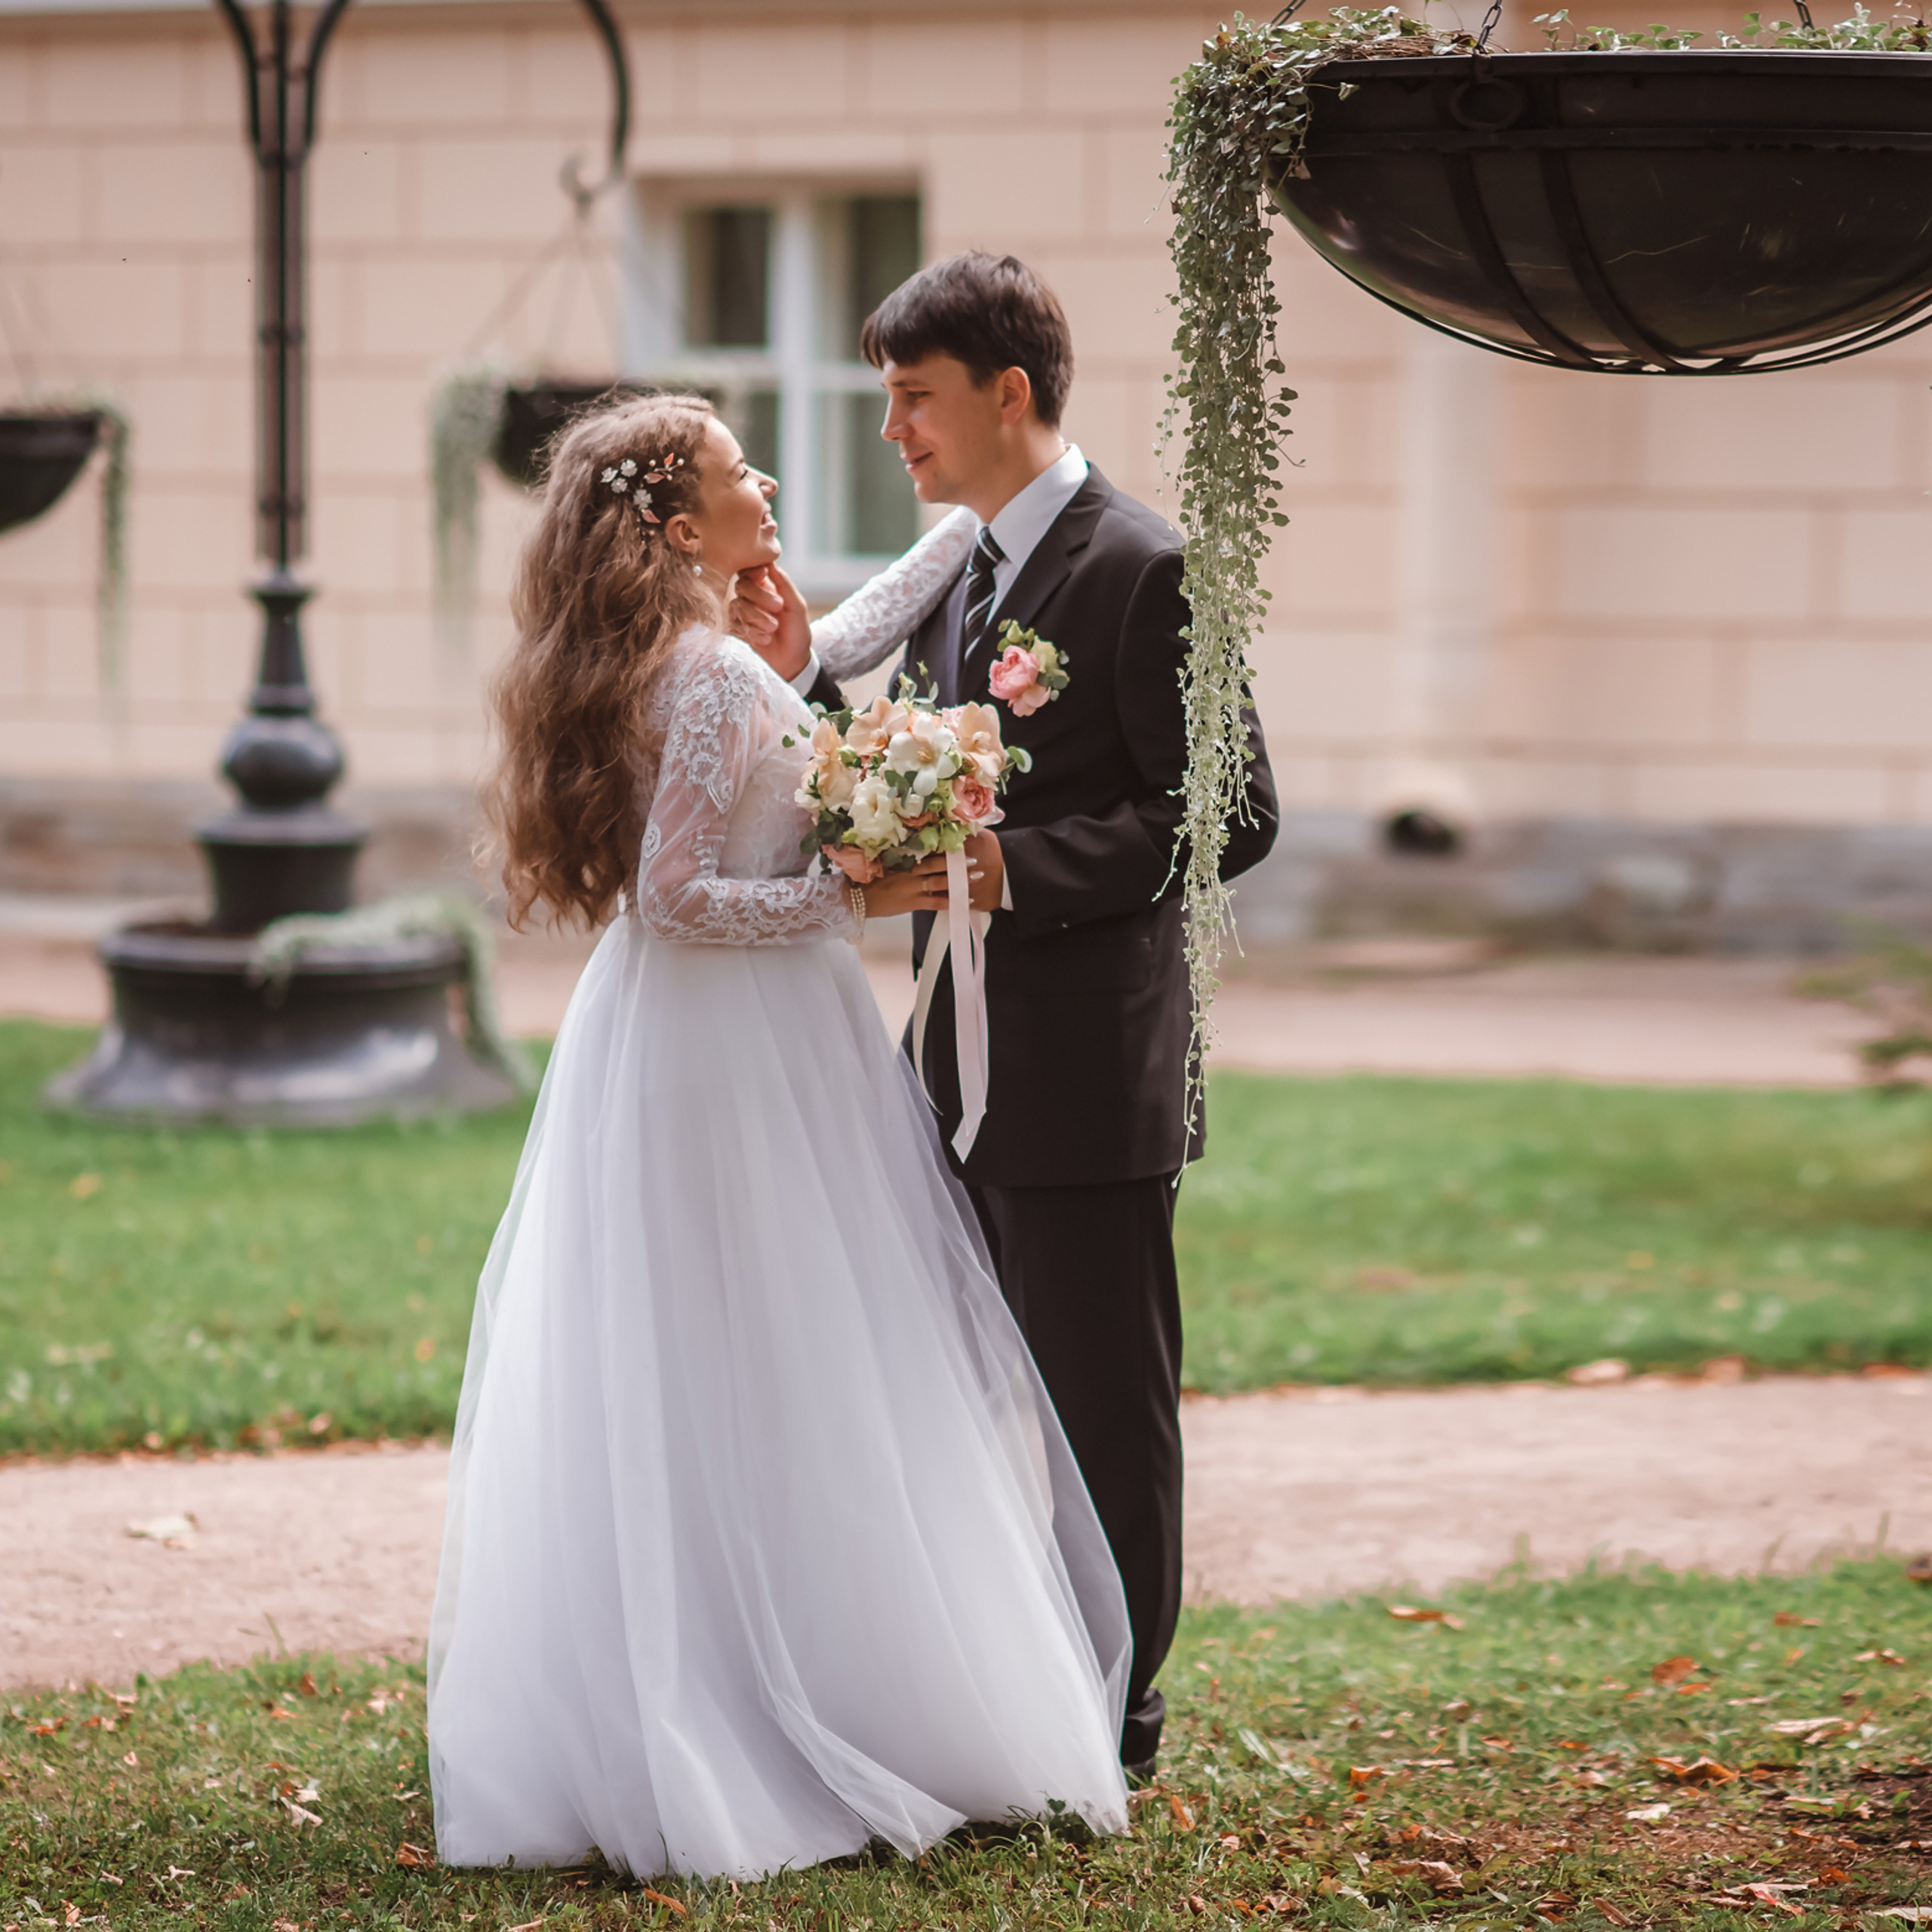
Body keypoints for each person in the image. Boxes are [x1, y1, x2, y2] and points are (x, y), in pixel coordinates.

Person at [425, 391, 1132, 1878]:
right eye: (736, 471)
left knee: (723, 1352)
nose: (764, 480)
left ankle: (740, 1669)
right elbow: (679, 891)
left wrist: (973, 530)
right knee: (788, 1347)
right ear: (678, 527)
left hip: (697, 1033)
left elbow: (847, 634)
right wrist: (859, 892)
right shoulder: (704, 680)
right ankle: (774, 1704)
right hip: (736, 1037)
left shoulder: (691, 657)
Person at [731, 251, 1280, 1780]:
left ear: (1006, 391)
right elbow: (912, 763)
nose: (893, 429)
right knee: (960, 1385)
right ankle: (1006, 1679)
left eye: (912, 398)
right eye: (887, 398)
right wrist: (807, 696)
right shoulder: (962, 568)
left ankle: (1120, 1708)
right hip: (950, 1058)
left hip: (1089, 1063)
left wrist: (1003, 866)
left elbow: (1226, 813)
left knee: (1104, 1402)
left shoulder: (1146, 564)